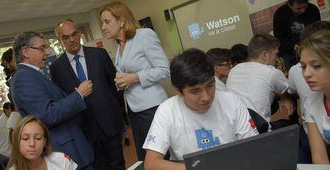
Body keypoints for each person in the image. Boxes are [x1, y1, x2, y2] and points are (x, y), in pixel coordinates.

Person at [142, 49, 258, 170]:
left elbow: (254, 148)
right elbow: (151, 164)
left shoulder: (231, 101)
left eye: (210, 85)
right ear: (178, 91)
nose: (206, 97)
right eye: (195, 91)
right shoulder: (167, 110)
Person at [10, 31, 93, 169]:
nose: (47, 52)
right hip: (65, 147)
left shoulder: (33, 74)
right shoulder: (24, 78)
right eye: (42, 48)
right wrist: (78, 95)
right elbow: (47, 114)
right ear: (26, 52)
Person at [50, 19, 125, 169]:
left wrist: (117, 116)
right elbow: (63, 100)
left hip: (110, 125)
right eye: (66, 37)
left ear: (79, 34)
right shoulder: (56, 68)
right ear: (59, 40)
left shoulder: (99, 55)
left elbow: (114, 87)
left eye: (74, 34)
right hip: (85, 132)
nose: (72, 39)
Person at [100, 1, 170, 161]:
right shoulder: (119, 46)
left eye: (107, 21)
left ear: (122, 20)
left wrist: (135, 77)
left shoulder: (144, 35)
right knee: (144, 156)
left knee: (159, 156)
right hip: (133, 110)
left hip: (152, 108)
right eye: (102, 22)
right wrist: (121, 81)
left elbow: (164, 69)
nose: (103, 27)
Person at [226, 34, 292, 122]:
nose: (277, 59)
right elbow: (290, 90)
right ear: (265, 55)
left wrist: (284, 98)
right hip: (260, 131)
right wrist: (286, 98)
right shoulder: (270, 72)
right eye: (276, 54)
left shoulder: (233, 70)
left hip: (235, 127)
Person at [299, 30, 330, 164]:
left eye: (316, 66)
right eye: (303, 66)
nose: (306, 74)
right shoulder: (311, 103)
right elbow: (319, 158)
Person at [8, 115, 78, 170]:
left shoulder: (60, 160)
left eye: (38, 138)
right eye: (25, 138)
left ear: (44, 141)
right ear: (16, 141)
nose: (32, 144)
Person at [273, 0, 320, 70]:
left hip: (310, 46)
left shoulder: (313, 10)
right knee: (293, 72)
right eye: (298, 9)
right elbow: (278, 38)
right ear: (289, 5)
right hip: (288, 51)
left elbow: (317, 32)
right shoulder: (280, 14)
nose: (303, 11)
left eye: (305, 7)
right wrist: (293, 46)